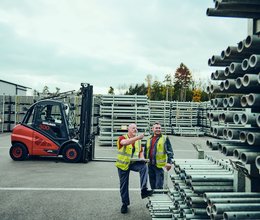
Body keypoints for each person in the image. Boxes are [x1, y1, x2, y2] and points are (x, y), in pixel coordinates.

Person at [115, 123, 153, 214]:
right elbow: (125, 143)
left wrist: (142, 159)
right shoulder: (122, 138)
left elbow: (140, 152)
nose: (135, 130)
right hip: (123, 165)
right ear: (128, 130)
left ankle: (144, 190)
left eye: (136, 128)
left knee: (144, 167)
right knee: (124, 185)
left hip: (133, 163)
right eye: (133, 128)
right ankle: (125, 204)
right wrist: (138, 137)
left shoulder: (138, 141)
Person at [145, 122, 174, 190]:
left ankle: (159, 199)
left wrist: (169, 162)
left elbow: (170, 151)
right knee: (152, 185)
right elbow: (145, 151)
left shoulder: (164, 138)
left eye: (159, 128)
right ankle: (154, 200)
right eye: (156, 128)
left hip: (159, 167)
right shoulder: (149, 139)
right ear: (152, 129)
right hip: (150, 165)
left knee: (159, 186)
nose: (158, 129)